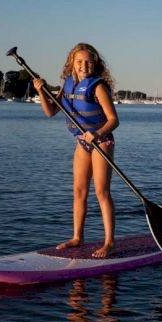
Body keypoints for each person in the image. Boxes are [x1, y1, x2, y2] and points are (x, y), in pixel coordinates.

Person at [33, 43, 119, 258]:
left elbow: (113, 120)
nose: (84, 65)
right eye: (79, 61)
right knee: (79, 191)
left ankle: (109, 242)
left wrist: (98, 134)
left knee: (101, 192)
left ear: (96, 63)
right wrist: (41, 92)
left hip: (102, 143)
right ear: (71, 63)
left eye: (89, 61)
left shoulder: (98, 86)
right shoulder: (68, 85)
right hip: (81, 143)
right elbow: (50, 112)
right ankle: (77, 237)